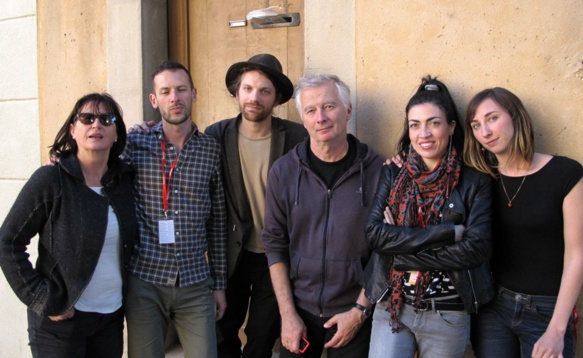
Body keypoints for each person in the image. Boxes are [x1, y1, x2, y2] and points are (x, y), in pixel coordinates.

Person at [363, 76, 494, 358]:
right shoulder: (393, 173)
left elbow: (475, 250)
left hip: (447, 313)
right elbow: (374, 234)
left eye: (434, 123)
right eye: (415, 125)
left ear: (451, 127)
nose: (424, 134)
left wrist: (400, 249)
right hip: (392, 307)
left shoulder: (474, 181)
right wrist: (446, 234)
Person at [0, 93, 137, 357]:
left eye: (106, 119)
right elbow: (8, 241)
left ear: (117, 132)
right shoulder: (51, 179)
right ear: (73, 129)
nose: (96, 125)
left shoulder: (124, 182)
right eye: (87, 118)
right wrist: (42, 298)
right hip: (60, 324)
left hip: (110, 319)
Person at [262, 73, 384, 357]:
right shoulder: (284, 171)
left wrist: (359, 312)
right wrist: (288, 314)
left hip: (355, 311)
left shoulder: (378, 171)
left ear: (348, 110)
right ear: (303, 119)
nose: (321, 117)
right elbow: (274, 245)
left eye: (329, 106)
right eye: (311, 110)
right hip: (299, 312)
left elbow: (385, 250)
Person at [464, 87, 583, 358]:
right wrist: (397, 162)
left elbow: (577, 255)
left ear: (516, 117)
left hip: (547, 311)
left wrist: (556, 329)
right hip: (494, 307)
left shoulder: (565, 174)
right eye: (476, 125)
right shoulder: (480, 181)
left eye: (492, 118)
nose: (485, 131)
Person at [123, 60, 228, 358]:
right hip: (145, 279)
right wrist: (60, 157)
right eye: (166, 91)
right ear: (154, 100)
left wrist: (218, 285)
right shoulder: (135, 141)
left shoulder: (210, 149)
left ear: (194, 93)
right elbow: (97, 164)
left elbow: (218, 223)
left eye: (181, 89)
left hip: (195, 281)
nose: (174, 97)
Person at [205, 54, 307, 358]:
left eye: (264, 91)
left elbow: (334, 155)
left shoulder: (297, 137)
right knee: (222, 332)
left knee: (262, 337)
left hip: (275, 256)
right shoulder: (215, 136)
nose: (254, 97)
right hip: (230, 255)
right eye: (248, 88)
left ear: (276, 99)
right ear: (237, 92)